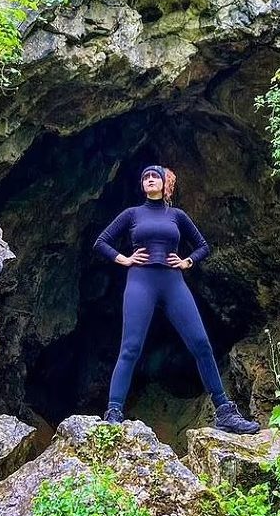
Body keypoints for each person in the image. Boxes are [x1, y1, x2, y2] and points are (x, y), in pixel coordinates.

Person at [93, 164, 260, 434]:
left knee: (201, 344)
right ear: (142, 185)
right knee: (131, 348)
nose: (149, 180)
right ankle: (113, 412)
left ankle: (225, 412)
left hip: (173, 282)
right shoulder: (132, 214)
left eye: (154, 176)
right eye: (145, 177)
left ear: (164, 184)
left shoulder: (177, 216)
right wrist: (124, 259)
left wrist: (187, 261)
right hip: (140, 281)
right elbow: (101, 242)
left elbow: (203, 246)